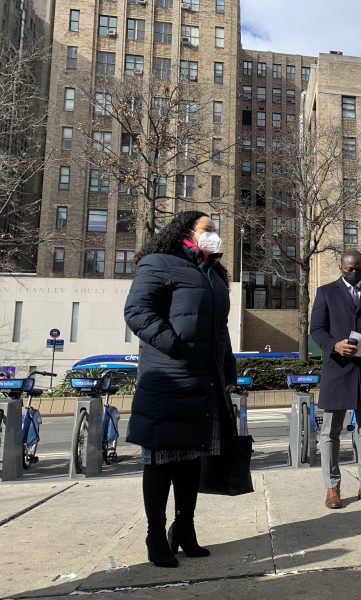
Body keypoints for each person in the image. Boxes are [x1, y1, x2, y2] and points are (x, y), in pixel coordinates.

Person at [124, 211, 237, 568]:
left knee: (191, 457)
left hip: (205, 377)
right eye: (208, 229)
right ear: (187, 231)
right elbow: (137, 312)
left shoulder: (214, 274)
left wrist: (228, 368)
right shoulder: (158, 263)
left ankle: (184, 528)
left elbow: (220, 328)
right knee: (161, 459)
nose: (214, 234)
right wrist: (176, 346)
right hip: (169, 377)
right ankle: (155, 535)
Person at [310, 250, 361, 509]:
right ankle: (332, 487)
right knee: (330, 432)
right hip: (337, 370)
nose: (354, 272)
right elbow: (317, 329)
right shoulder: (326, 292)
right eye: (349, 268)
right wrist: (334, 346)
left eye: (359, 268)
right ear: (341, 267)